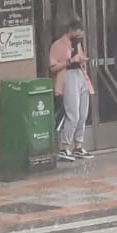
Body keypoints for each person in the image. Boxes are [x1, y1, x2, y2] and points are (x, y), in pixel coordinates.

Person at [47, 19, 93, 161]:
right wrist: (70, 61)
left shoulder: (77, 44)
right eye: (79, 31)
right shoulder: (58, 45)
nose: (81, 34)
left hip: (81, 75)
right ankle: (64, 146)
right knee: (73, 113)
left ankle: (78, 145)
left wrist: (81, 60)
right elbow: (52, 67)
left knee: (83, 113)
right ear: (71, 30)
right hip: (67, 76)